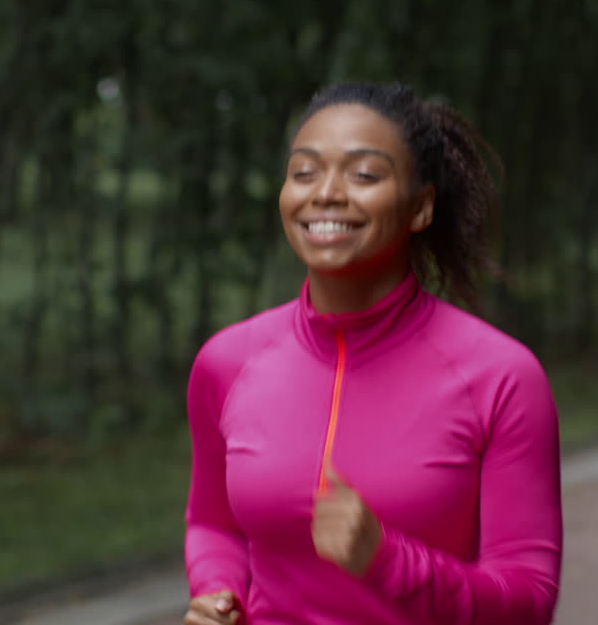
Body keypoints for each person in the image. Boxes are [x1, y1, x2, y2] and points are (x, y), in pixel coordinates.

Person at [183, 81, 563, 624]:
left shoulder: (501, 378)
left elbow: (528, 601)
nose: (326, 193)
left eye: (364, 174)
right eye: (304, 172)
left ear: (421, 207)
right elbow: (213, 524)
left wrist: (389, 563)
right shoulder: (227, 363)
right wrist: (220, 592)